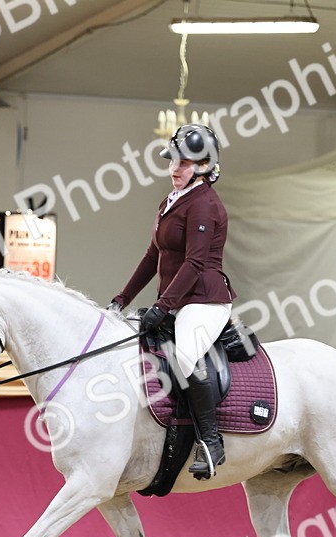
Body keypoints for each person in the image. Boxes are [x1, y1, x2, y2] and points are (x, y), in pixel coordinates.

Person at [109, 123, 235, 480]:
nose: (175, 170)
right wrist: (121, 299)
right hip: (178, 298)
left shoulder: (205, 205)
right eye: (173, 162)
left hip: (205, 300)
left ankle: (211, 442)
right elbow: (153, 256)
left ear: (205, 166)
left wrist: (163, 306)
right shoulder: (170, 201)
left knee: (185, 354)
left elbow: (195, 263)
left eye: (184, 164)